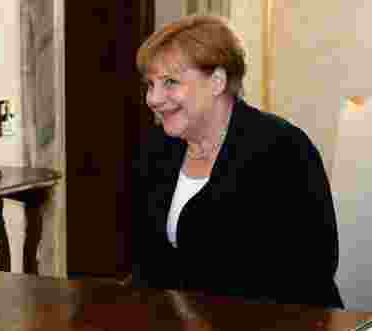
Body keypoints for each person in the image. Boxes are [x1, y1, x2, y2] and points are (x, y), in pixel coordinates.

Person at [132, 15, 343, 309]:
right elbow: (148, 264)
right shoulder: (157, 149)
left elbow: (310, 269)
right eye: (150, 84)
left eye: (170, 82)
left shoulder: (282, 149)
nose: (152, 98)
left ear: (217, 82)